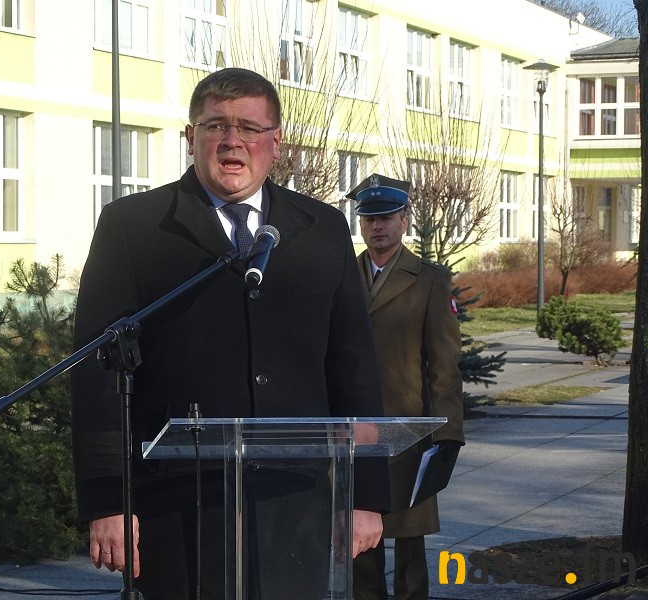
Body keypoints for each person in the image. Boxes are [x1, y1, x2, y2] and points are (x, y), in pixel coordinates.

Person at [71, 67, 389, 600]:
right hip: (177, 503)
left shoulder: (323, 229)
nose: (232, 141)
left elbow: (354, 368)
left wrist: (367, 495)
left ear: (276, 142)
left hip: (299, 498)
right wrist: (108, 501)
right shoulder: (132, 226)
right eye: (215, 125)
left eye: (249, 127)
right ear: (190, 137)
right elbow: (96, 374)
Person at [349, 174, 465, 600]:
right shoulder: (343, 275)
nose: (377, 226)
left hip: (408, 431)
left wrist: (448, 433)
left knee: (410, 548)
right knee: (360, 543)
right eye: (369, 219)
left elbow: (444, 363)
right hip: (355, 428)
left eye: (386, 217)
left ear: (404, 220)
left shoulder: (429, 279)